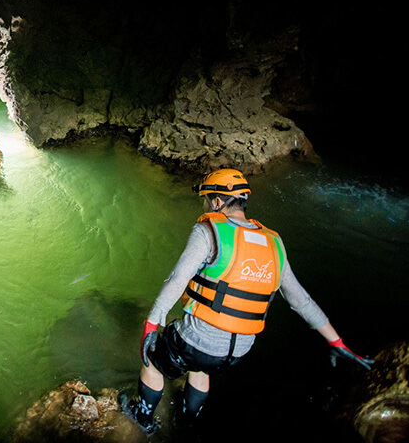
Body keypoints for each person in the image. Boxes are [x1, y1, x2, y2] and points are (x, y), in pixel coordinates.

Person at [121, 168, 373, 433]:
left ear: (218, 201)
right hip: (237, 352)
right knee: (202, 369)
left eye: (208, 199)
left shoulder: (208, 231)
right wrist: (337, 341)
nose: (207, 204)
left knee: (152, 361)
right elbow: (301, 301)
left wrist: (151, 324)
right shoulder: (274, 242)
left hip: (198, 341)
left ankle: (144, 419)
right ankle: (185, 422)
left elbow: (177, 279)